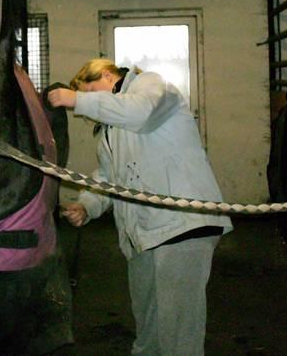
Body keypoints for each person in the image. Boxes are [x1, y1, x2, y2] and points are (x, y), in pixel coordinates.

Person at [48, 59, 232, 356]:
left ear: (108, 75)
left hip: (182, 222)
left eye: (92, 90)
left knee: (178, 331)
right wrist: (87, 205)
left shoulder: (152, 86)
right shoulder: (111, 129)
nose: (90, 103)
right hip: (143, 232)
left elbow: (140, 113)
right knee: (148, 326)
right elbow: (109, 177)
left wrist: (77, 99)